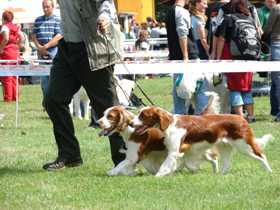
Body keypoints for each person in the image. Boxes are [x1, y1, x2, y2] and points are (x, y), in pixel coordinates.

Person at [42, 0, 125, 171]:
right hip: (67, 48)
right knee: (53, 99)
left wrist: (104, 16)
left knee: (107, 107)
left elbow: (106, 2)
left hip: (92, 48)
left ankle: (124, 159)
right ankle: (69, 155)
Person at [215, 0, 257, 122]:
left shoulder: (228, 18)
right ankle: (251, 116)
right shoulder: (250, 19)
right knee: (247, 87)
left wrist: (218, 57)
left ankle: (240, 118)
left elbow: (221, 38)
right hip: (248, 56)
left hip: (232, 56)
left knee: (235, 88)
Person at [165, 0, 203, 115]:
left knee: (179, 89)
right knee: (198, 89)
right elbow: (182, 34)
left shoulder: (169, 11)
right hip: (188, 56)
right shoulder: (181, 11)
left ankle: (180, 115)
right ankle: (199, 115)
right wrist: (186, 56)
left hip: (176, 56)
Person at [31, 0, 62, 106]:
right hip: (41, 54)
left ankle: (54, 103)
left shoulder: (58, 19)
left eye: (47, 7)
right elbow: (33, 35)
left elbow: (59, 36)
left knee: (54, 80)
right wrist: (39, 47)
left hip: (54, 53)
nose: (45, 9)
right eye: (43, 7)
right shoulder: (38, 20)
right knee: (44, 81)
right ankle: (47, 103)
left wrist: (46, 46)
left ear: (53, 7)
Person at [0, 10, 24, 102]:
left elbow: (5, 38)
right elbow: (22, 37)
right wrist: (16, 44)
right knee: (14, 76)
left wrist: (1, 48)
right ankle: (15, 97)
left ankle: (8, 98)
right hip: (15, 53)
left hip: (6, 53)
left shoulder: (5, 27)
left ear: (3, 18)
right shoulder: (16, 27)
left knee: (7, 76)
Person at [263, 0, 280, 122]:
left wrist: (261, 37)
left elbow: (268, 28)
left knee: (277, 79)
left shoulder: (276, 8)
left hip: (277, 44)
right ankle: (275, 110)